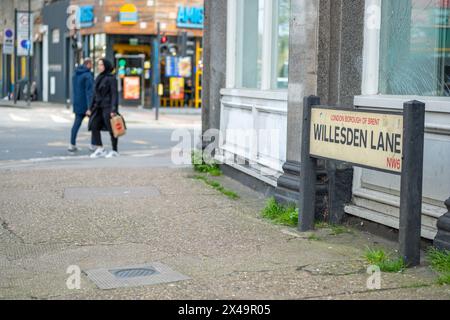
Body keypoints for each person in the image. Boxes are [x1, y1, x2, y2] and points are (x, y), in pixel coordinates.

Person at [87, 59, 120, 159]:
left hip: (108, 107)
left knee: (112, 129)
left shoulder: (111, 78)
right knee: (93, 125)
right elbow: (94, 94)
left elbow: (114, 94)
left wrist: (113, 109)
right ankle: (100, 148)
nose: (99, 66)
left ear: (106, 65)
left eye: (101, 65)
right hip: (98, 107)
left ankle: (115, 150)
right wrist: (90, 108)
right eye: (98, 65)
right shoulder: (98, 77)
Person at [69, 58, 95, 153]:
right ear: (88, 64)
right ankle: (93, 145)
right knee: (94, 124)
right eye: (91, 64)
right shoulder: (87, 76)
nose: (92, 66)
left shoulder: (75, 74)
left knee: (76, 124)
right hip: (86, 105)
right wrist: (90, 107)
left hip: (77, 103)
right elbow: (89, 93)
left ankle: (72, 144)